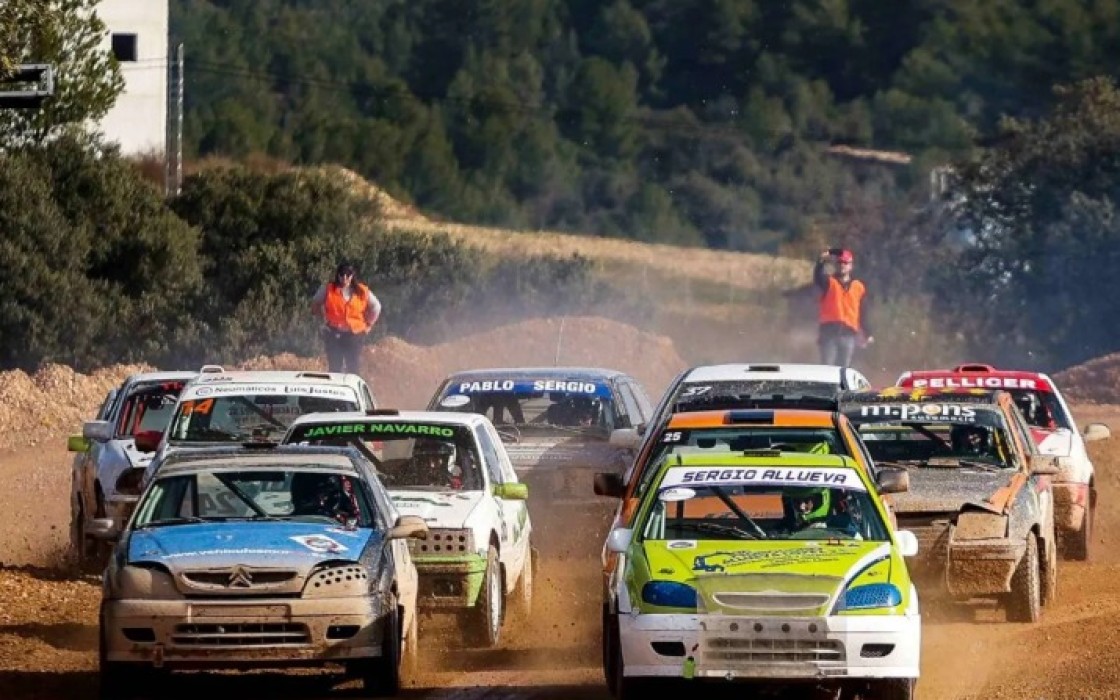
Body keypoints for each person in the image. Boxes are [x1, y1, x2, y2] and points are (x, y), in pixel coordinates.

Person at [311, 261, 382, 375]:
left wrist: (369, 324)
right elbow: (315, 303)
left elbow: (376, 307)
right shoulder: (329, 289)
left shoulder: (362, 291)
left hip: (354, 335)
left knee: (353, 367)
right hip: (333, 334)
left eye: (348, 275)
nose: (344, 277)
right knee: (334, 367)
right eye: (341, 274)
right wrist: (322, 318)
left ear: (352, 276)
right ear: (337, 275)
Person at [813, 248, 873, 368]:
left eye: (845, 263)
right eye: (840, 263)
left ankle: (842, 388)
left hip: (848, 334)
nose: (842, 265)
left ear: (851, 266)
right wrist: (822, 260)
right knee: (827, 369)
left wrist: (867, 332)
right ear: (836, 265)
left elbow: (862, 312)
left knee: (844, 371)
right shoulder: (828, 282)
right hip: (828, 333)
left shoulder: (858, 287)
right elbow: (817, 276)